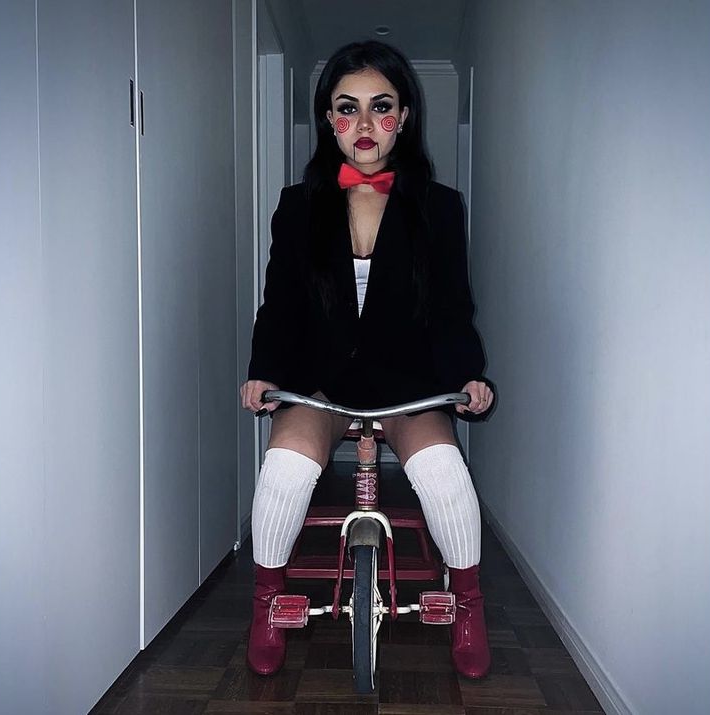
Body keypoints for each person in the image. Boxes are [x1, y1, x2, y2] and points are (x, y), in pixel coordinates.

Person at [240, 40, 494, 680]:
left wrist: (467, 376)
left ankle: (468, 606)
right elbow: (280, 303)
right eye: (345, 109)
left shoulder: (438, 207)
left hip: (406, 380)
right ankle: (267, 605)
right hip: (319, 381)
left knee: (443, 475)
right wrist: (264, 371)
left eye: (380, 108)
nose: (362, 127)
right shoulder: (297, 207)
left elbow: (451, 308)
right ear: (328, 118)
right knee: (285, 474)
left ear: (404, 115)